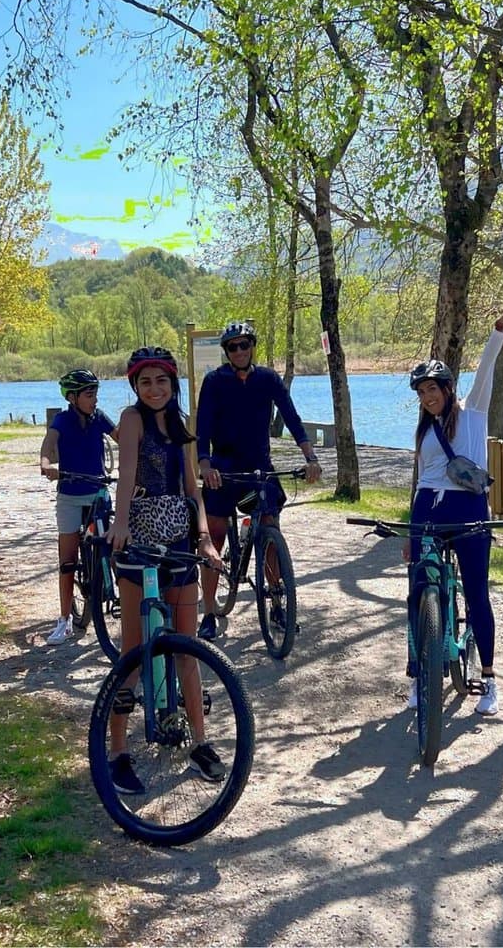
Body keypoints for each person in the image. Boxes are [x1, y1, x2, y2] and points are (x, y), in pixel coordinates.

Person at [105, 346, 224, 795]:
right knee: (134, 650)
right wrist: (120, 523)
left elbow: (193, 489)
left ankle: (200, 742)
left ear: (173, 384)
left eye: (161, 381)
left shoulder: (181, 423)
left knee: (186, 649)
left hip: (179, 542)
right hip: (140, 541)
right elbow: (127, 476)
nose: (154, 389)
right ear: (135, 386)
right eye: (145, 382)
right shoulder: (132, 419)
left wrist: (205, 538)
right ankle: (118, 750)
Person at [405, 290, 503, 717]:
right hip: (428, 510)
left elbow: (487, 366)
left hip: (469, 510)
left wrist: (501, 326)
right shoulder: (424, 431)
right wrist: (410, 532)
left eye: (432, 389)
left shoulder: (473, 410)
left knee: (477, 593)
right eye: (421, 392)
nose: (427, 397)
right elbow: (421, 479)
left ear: (447, 388)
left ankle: (489, 680)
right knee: (418, 590)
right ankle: (419, 675)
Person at [194, 320, 322, 640]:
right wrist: (204, 464)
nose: (239, 351)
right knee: (215, 536)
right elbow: (203, 427)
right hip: (223, 469)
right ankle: (208, 611)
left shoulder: (267, 378)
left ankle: (277, 602)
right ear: (226, 351)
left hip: (259, 468)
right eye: (233, 347)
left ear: (252, 347)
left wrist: (310, 457)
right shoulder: (214, 381)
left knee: (269, 528)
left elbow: (291, 417)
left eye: (244, 345)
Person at [39, 368, 118, 644]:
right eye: (89, 394)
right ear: (72, 397)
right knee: (68, 560)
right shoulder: (62, 420)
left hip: (98, 492)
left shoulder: (99, 418)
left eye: (95, 394)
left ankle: (118, 591)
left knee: (114, 544)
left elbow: (122, 437)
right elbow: (48, 446)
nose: (94, 400)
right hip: (70, 495)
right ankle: (64, 619)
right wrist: (46, 465)